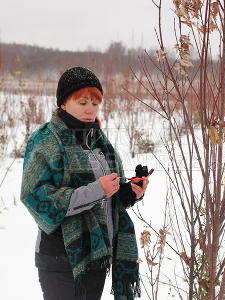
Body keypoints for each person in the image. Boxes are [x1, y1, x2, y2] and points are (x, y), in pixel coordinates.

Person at [21, 66, 149, 300]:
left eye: (95, 103)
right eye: (82, 103)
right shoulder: (45, 140)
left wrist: (129, 192)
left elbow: (109, 192)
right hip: (61, 257)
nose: (91, 110)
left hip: (97, 254)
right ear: (63, 103)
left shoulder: (98, 140)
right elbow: (34, 196)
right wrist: (95, 191)